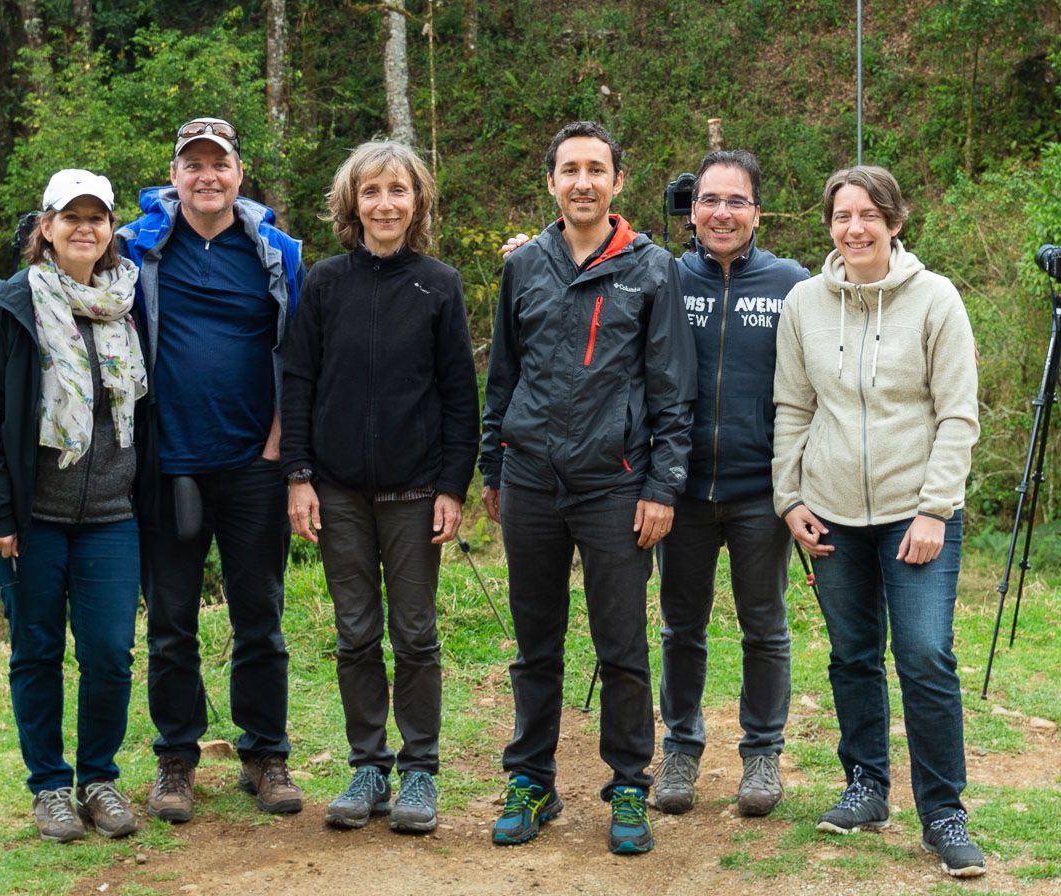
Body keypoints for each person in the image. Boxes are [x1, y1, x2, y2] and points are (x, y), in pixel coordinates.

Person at [500, 149, 810, 818]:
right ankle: (681, 746)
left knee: (765, 624)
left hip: (760, 487)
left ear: (758, 210)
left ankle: (761, 752)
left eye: (736, 201)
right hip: (678, 488)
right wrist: (533, 251)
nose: (721, 213)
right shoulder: (667, 273)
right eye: (708, 201)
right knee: (679, 626)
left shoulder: (793, 284)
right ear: (689, 209)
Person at [481, 121, 694, 855]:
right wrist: (493, 467)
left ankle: (629, 782)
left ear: (617, 182)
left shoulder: (651, 267)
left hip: (617, 484)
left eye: (595, 169)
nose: (582, 181)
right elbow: (500, 375)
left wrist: (663, 485)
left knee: (623, 643)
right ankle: (531, 779)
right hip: (532, 479)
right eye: (569, 169)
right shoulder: (525, 267)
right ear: (550, 181)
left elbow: (671, 388)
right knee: (534, 643)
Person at [772, 165, 985, 878]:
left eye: (869, 214)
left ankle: (944, 811)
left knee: (924, 655)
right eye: (842, 215)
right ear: (828, 224)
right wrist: (790, 499)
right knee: (852, 654)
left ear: (895, 222)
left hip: (914, 515)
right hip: (830, 512)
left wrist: (934, 508)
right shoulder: (804, 303)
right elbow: (793, 409)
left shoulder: (937, 299)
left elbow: (958, 414)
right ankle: (866, 785)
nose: (854, 227)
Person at [279, 141, 478, 834]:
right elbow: (298, 381)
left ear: (417, 200)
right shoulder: (326, 284)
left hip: (415, 492)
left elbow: (460, 394)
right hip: (336, 492)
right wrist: (298, 476)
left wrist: (453, 483)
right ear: (351, 202)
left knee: (415, 634)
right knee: (356, 632)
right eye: (371, 191)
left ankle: (420, 770)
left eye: (398, 190)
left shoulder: (439, 284)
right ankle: (369, 764)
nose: (385, 203)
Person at [118, 117, 306, 822]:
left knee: (260, 614)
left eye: (218, 164)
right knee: (170, 622)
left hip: (253, 462)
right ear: (174, 175)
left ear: (238, 172)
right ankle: (176, 759)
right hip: (168, 465)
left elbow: (300, 355)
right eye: (192, 165)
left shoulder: (276, 253)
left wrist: (281, 445)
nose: (206, 176)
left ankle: (265, 754)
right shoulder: (138, 250)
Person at [0, 168, 148, 842]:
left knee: (108, 651)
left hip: (113, 514)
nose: (85, 228)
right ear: (47, 227)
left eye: (97, 217)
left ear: (111, 230)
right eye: (72, 217)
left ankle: (98, 779)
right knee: (36, 651)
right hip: (32, 520)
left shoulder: (129, 301)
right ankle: (48, 787)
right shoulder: (12, 305)